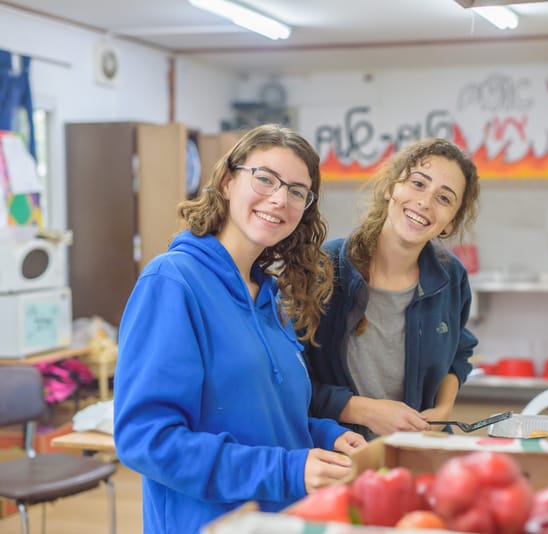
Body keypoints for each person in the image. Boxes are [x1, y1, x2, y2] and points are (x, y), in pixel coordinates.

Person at [113, 124, 367, 533]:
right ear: (228, 182)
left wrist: (325, 435)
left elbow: (267, 416)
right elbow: (148, 441)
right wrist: (287, 469)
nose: (280, 198)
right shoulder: (173, 282)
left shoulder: (270, 298)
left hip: (281, 521)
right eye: (265, 178)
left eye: (297, 191)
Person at [304, 137, 480, 440]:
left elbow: (459, 353)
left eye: (444, 198)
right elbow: (289, 378)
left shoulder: (450, 277)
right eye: (418, 183)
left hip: (416, 452)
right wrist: (362, 410)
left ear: (450, 222)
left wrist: (443, 407)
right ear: (390, 188)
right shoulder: (325, 267)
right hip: (336, 455)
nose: (425, 202)